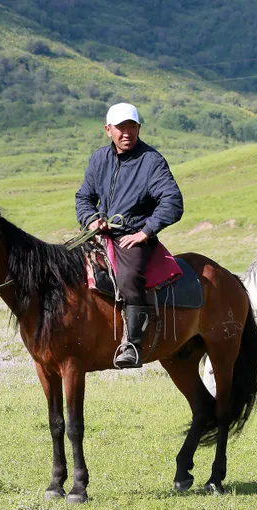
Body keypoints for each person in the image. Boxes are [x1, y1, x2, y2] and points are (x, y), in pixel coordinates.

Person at [76, 102, 184, 368]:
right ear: (108, 130)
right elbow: (84, 198)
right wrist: (91, 220)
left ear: (138, 128)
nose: (127, 133)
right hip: (100, 233)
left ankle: (133, 345)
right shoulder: (98, 159)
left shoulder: (151, 161)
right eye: (121, 128)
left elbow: (173, 201)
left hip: (132, 237)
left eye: (132, 127)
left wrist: (145, 232)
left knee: (127, 277)